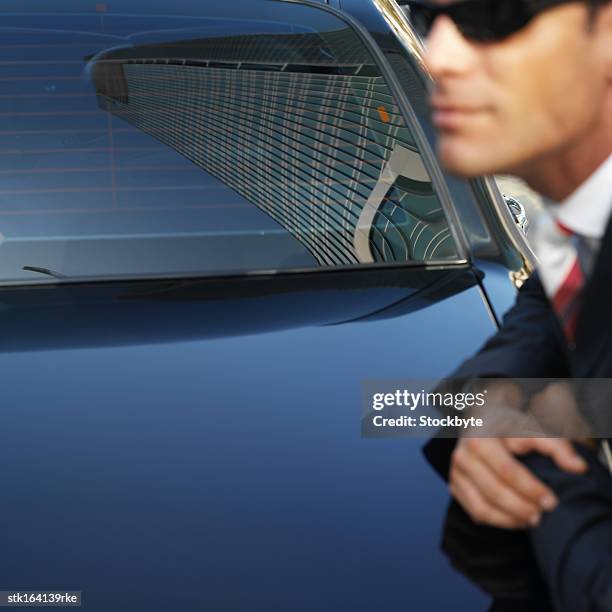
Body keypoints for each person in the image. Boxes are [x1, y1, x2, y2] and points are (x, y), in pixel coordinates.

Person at [403, 0, 612, 609]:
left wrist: (541, 472)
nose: (438, 57)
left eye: (489, 18)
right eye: (426, 18)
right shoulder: (582, 236)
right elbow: (549, 305)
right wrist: (497, 395)